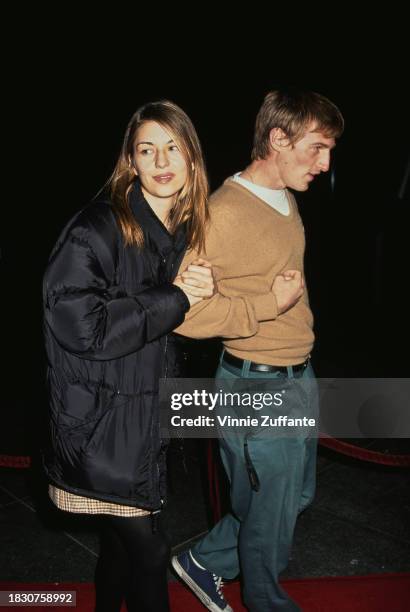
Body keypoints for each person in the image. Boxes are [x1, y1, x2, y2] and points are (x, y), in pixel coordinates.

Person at [171, 89, 344, 612]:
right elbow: (184, 313)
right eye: (316, 147)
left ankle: (205, 560)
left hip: (296, 377)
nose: (325, 162)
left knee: (293, 498)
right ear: (277, 139)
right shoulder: (222, 213)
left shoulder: (287, 199)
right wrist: (268, 304)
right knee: (270, 517)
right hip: (255, 385)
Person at [42, 100, 216, 612]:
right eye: (147, 149)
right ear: (131, 161)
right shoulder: (95, 227)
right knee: (151, 551)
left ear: (191, 158)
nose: (162, 161)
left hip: (141, 420)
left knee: (120, 546)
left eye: (173, 148)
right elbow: (82, 328)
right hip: (98, 425)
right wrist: (178, 297)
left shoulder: (182, 230)